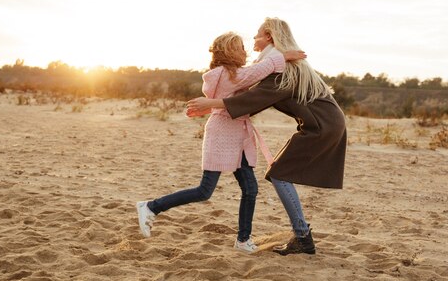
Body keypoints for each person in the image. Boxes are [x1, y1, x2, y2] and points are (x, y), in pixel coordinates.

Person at [186, 18, 347, 256]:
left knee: (279, 174)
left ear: (269, 37)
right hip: (322, 124)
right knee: (279, 172)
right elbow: (252, 102)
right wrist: (212, 108)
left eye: (257, 35)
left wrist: (210, 103)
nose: (253, 40)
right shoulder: (279, 67)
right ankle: (302, 236)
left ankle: (303, 237)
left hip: (321, 126)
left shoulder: (283, 72)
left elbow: (250, 100)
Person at [136, 32, 305, 253]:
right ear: (229, 51)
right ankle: (150, 207)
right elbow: (256, 71)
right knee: (205, 190)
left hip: (239, 136)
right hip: (222, 134)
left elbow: (249, 75)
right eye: (240, 48)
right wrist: (284, 56)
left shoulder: (233, 74)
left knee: (250, 188)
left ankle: (243, 240)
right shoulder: (226, 74)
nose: (245, 51)